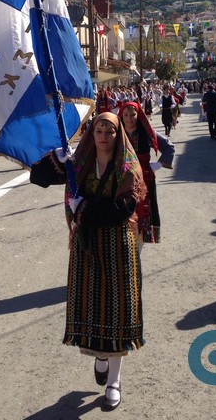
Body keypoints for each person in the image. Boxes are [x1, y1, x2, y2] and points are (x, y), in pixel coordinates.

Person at [30, 112, 147, 411]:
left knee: (120, 311)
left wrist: (84, 209)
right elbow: (38, 177)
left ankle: (114, 382)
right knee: (95, 309)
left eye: (110, 129)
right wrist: (54, 158)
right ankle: (101, 355)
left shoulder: (128, 166)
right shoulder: (78, 162)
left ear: (118, 133)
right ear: (91, 133)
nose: (104, 134)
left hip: (119, 245)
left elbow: (122, 209)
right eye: (99, 129)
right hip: (87, 247)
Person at [118, 101, 175, 246]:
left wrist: (159, 164)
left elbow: (169, 146)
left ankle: (140, 242)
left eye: (132, 114)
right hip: (122, 178)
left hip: (144, 176)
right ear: (121, 116)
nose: (129, 118)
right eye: (126, 115)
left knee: (144, 208)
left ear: (138, 115)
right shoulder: (116, 133)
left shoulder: (147, 132)